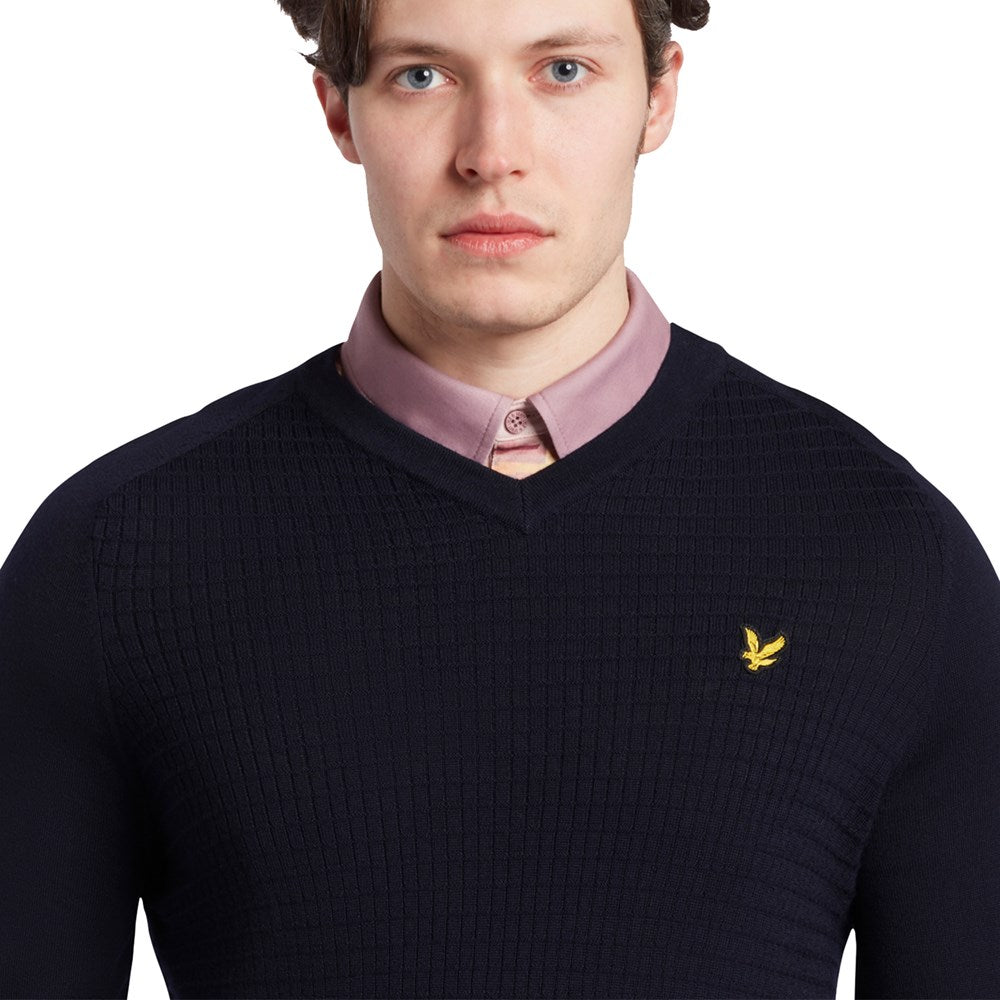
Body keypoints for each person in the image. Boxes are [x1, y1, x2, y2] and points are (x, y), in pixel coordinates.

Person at [1, 0, 997, 996]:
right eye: (422, 76)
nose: (491, 155)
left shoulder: (885, 552)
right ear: (339, 111)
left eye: (562, 71)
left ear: (658, 98)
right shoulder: (117, 561)